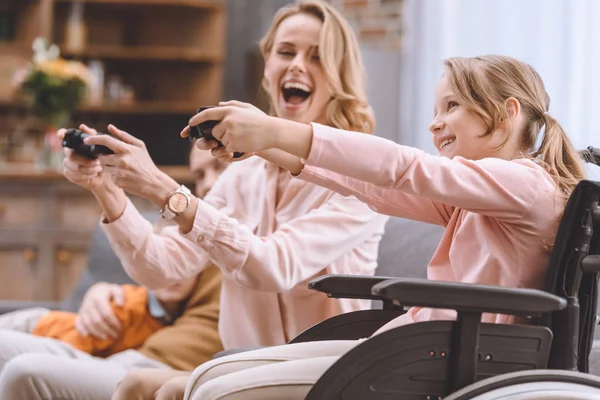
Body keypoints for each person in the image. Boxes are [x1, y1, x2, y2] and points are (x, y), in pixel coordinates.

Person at [0, 1, 389, 399]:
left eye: (318, 57)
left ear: (340, 74)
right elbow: (162, 269)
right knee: (133, 385)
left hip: (325, 368)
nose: (297, 66)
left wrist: (167, 192)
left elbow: (273, 266)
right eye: (286, 52)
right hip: (242, 361)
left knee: (171, 388)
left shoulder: (358, 176)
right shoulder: (242, 175)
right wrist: (107, 188)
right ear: (267, 64)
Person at [170, 54, 587, 399]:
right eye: (435, 110)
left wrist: (275, 129)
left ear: (507, 114)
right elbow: (375, 187)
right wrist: (267, 146)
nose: (435, 123)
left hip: (447, 354)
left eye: (452, 106)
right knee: (211, 375)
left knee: (216, 390)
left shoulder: (526, 184)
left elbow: (404, 169)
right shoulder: (487, 196)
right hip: (421, 346)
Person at [0, 143, 225, 399]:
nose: (208, 184)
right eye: (199, 175)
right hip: (128, 357)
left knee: (24, 370)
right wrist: (104, 290)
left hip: (163, 371)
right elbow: (162, 279)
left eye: (220, 167)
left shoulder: (257, 238)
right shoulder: (200, 234)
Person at [0, 276, 198, 356]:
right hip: (36, 328)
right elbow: (71, 349)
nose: (175, 274)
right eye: (164, 265)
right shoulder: (127, 305)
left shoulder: (188, 319)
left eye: (186, 264)